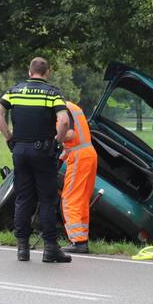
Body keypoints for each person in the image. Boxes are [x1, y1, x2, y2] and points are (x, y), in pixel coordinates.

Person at [0, 58, 72, 263]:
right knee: (46, 199)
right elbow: (63, 121)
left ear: (30, 72)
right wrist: (57, 142)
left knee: (23, 199)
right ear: (47, 72)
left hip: (20, 150)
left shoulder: (14, 91)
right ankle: (50, 249)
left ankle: (22, 249)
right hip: (43, 151)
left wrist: (8, 136)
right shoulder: (52, 92)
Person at [58, 100, 98, 253]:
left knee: (70, 199)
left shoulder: (60, 110)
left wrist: (54, 138)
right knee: (81, 200)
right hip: (88, 154)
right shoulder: (72, 106)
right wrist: (60, 159)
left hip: (79, 157)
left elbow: (70, 134)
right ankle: (82, 239)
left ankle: (78, 241)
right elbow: (77, 139)